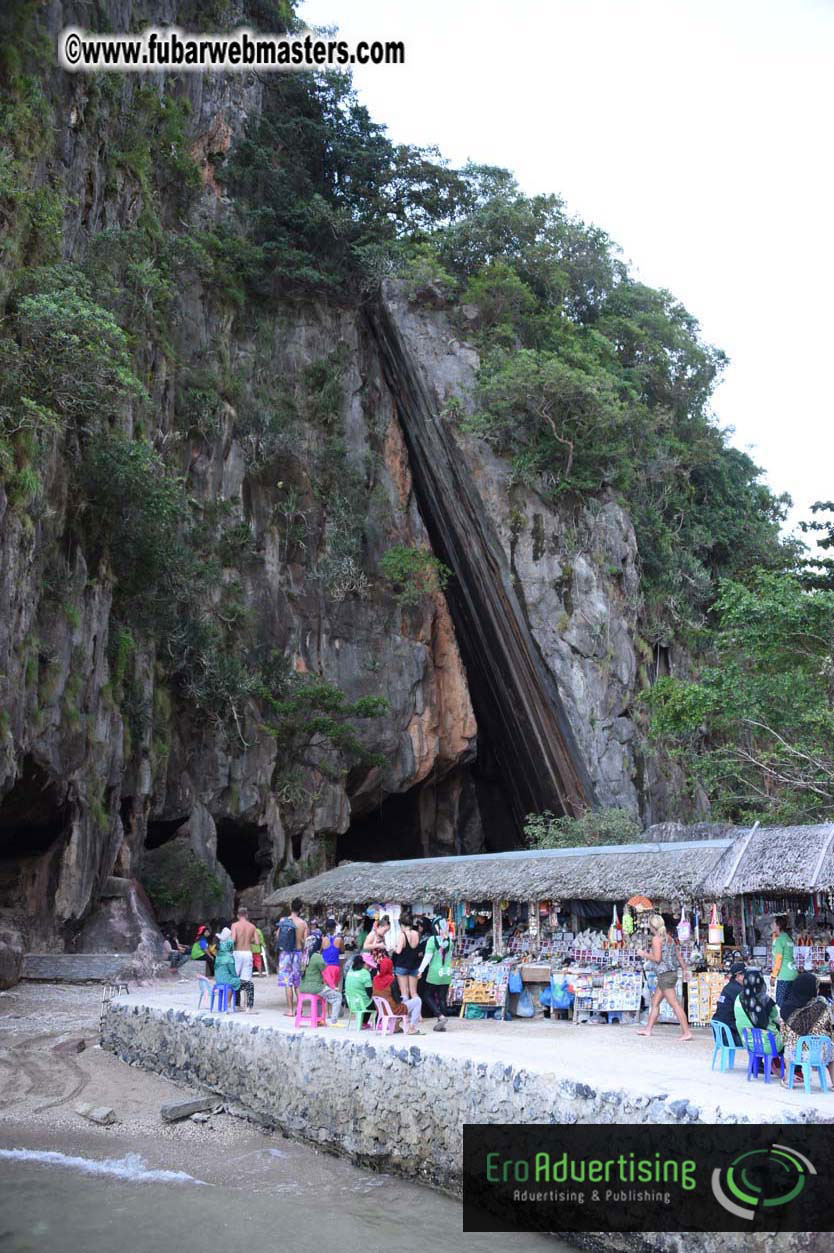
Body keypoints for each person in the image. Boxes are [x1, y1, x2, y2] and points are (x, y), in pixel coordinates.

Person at [636, 913, 692, 1041]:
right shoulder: (669, 937)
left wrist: (644, 954)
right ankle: (648, 1029)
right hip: (669, 974)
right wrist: (685, 969)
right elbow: (678, 955)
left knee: (675, 1005)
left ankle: (687, 1032)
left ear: (652, 926)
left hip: (665, 975)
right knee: (655, 1003)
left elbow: (657, 958)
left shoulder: (657, 939)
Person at [779, 971, 834, 1089]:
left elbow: (783, 1035)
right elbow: (830, 1028)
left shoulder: (786, 1009)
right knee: (831, 1051)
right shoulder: (823, 1006)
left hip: (797, 1054)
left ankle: (788, 1079)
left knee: (788, 1048)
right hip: (821, 1053)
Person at [734, 967, 783, 1057]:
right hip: (769, 1044)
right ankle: (781, 1065)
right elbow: (778, 1019)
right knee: (787, 1037)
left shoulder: (738, 998)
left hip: (748, 1043)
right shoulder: (765, 1000)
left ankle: (763, 1064)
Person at [418, 915, 453, 1032]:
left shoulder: (432, 940)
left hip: (435, 971)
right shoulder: (450, 940)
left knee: (427, 995)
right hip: (447, 972)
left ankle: (440, 1016)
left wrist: (420, 970)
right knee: (442, 997)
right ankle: (441, 1023)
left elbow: (427, 957)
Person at [276, 898, 307, 1016]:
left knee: (287, 982)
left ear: (291, 907)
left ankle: (290, 1010)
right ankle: (299, 1010)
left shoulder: (283, 920)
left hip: (285, 954)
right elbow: (306, 942)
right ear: (301, 909)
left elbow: (278, 937)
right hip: (298, 954)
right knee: (297, 983)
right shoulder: (303, 923)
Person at [299, 948, 343, 1025]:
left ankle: (318, 1019)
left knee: (320, 998)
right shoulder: (317, 956)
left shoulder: (304, 955)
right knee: (337, 997)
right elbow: (326, 973)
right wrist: (333, 987)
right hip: (315, 987)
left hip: (303, 986)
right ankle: (334, 1021)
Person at [213, 935, 255, 1012]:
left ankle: (237, 1005)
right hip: (227, 981)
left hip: (219, 981)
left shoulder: (218, 956)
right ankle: (249, 1008)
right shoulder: (229, 958)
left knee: (237, 982)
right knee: (249, 984)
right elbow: (234, 974)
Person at [711, 961, 746, 1046]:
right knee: (761, 1040)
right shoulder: (738, 991)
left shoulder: (728, 987)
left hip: (721, 1034)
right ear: (738, 976)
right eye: (745, 975)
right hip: (729, 1036)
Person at [393, 912, 422, 1003]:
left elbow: (398, 951)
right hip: (414, 966)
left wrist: (393, 947)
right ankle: (419, 1015)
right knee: (414, 992)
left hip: (402, 965)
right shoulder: (416, 934)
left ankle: (405, 1014)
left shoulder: (402, 935)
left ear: (402, 924)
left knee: (404, 993)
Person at [771, 916, 798, 1011]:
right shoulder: (788, 938)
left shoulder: (779, 940)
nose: (771, 925)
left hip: (784, 975)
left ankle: (784, 1024)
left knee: (780, 1002)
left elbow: (778, 960)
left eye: (773, 924)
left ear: (778, 926)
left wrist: (773, 976)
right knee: (790, 1002)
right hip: (793, 973)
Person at [344, 953, 375, 1027]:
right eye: (368, 965)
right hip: (362, 1004)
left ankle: (363, 1023)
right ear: (363, 964)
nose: (369, 968)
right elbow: (369, 992)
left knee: (366, 1000)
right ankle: (377, 1024)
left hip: (351, 1003)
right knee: (377, 1004)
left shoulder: (350, 971)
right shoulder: (365, 973)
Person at [230, 907, 258, 985]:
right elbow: (257, 942)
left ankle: (229, 998)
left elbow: (233, 939)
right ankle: (246, 997)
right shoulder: (252, 926)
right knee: (246, 982)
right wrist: (248, 939)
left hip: (238, 952)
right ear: (247, 915)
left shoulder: (234, 925)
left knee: (234, 978)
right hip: (248, 953)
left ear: (238, 916)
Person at [321, 918, 343, 991]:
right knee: (334, 990)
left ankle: (326, 1003)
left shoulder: (323, 939)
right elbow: (343, 950)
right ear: (335, 927)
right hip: (335, 967)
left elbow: (321, 951)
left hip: (325, 967)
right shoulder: (339, 939)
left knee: (325, 990)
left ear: (326, 928)